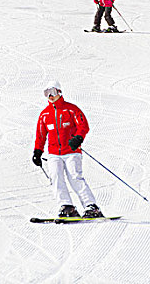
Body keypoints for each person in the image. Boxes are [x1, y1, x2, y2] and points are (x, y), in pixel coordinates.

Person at [32, 81, 104, 218]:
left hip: (71, 151)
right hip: (54, 153)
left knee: (75, 176)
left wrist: (78, 138)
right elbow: (40, 135)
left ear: (59, 92)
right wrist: (37, 151)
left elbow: (83, 125)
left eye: (52, 92)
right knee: (56, 177)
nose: (50, 96)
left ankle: (91, 206)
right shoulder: (44, 115)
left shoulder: (71, 109)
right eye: (46, 93)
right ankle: (67, 206)